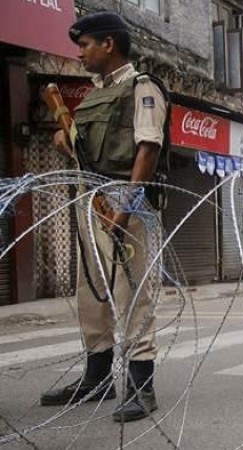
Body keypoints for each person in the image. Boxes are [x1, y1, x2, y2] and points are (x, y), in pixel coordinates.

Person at [41, 11, 167, 422]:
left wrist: (125, 207)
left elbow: (147, 148)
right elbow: (84, 151)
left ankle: (141, 385)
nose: (80, 53)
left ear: (108, 44)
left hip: (123, 200)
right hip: (91, 200)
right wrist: (65, 140)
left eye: (85, 45)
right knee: (92, 291)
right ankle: (96, 378)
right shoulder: (93, 95)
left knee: (132, 291)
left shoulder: (141, 87)